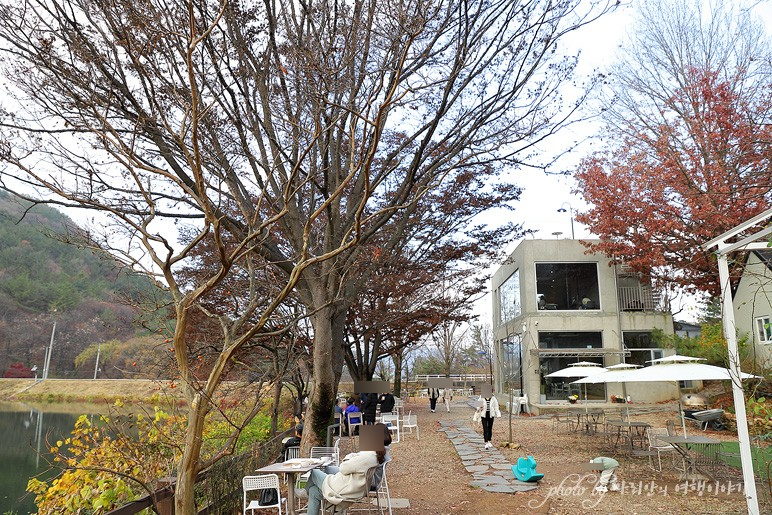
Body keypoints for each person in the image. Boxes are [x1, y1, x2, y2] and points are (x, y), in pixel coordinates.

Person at [304, 424, 390, 515]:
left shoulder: (367, 456)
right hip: (354, 485)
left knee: (312, 471)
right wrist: (354, 457)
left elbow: (343, 468)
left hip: (346, 488)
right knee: (314, 491)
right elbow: (355, 459)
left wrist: (349, 457)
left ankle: (301, 492)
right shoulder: (376, 454)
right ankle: (309, 490)